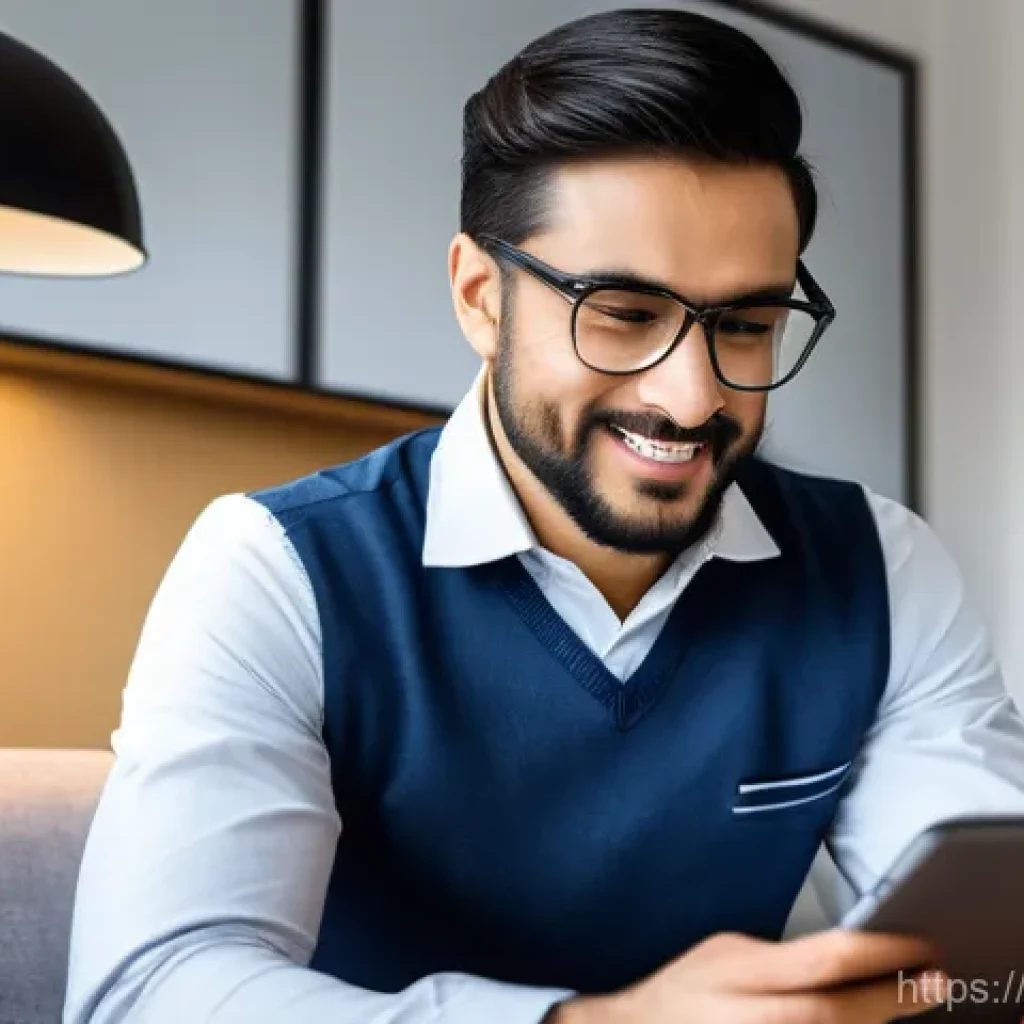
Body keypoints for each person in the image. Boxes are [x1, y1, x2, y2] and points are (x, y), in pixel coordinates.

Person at [65, 9, 1024, 1024]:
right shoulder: (274, 569)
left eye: (744, 325)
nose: (691, 395)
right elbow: (149, 991)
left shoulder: (882, 568)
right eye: (621, 314)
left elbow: (986, 950)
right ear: (481, 296)